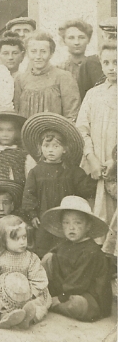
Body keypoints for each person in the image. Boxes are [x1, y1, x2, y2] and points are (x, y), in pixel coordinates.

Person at [20, 112, 95, 256]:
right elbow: (29, 195)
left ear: (65, 149)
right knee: (43, 247)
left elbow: (85, 189)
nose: (50, 150)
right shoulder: (36, 171)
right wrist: (32, 215)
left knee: (65, 247)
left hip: (66, 218)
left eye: (56, 146)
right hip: (43, 218)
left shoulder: (73, 171)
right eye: (46, 146)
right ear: (40, 148)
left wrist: (92, 178)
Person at [41, 195, 113, 322]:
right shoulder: (64, 244)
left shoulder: (91, 251)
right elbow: (51, 265)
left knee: (78, 305)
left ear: (88, 226)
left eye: (77, 222)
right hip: (66, 291)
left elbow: (79, 282)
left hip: (89, 296)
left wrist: (62, 297)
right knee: (49, 257)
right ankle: (42, 295)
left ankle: (49, 302)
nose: (71, 227)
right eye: (66, 222)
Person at [76, 41, 117, 223]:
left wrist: (114, 161)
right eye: (106, 63)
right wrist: (91, 157)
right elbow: (82, 128)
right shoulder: (93, 94)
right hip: (97, 163)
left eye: (116, 62)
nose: (111, 68)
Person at [13, 30, 80, 122]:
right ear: (27, 54)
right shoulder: (20, 79)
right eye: (33, 51)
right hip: (25, 133)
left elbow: (72, 114)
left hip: (56, 134)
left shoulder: (63, 77)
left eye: (43, 51)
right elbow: (16, 112)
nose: (38, 56)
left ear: (51, 54)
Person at [77, 17, 117, 98]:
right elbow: (83, 98)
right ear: (103, 37)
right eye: (110, 37)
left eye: (116, 38)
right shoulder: (89, 63)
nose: (114, 42)